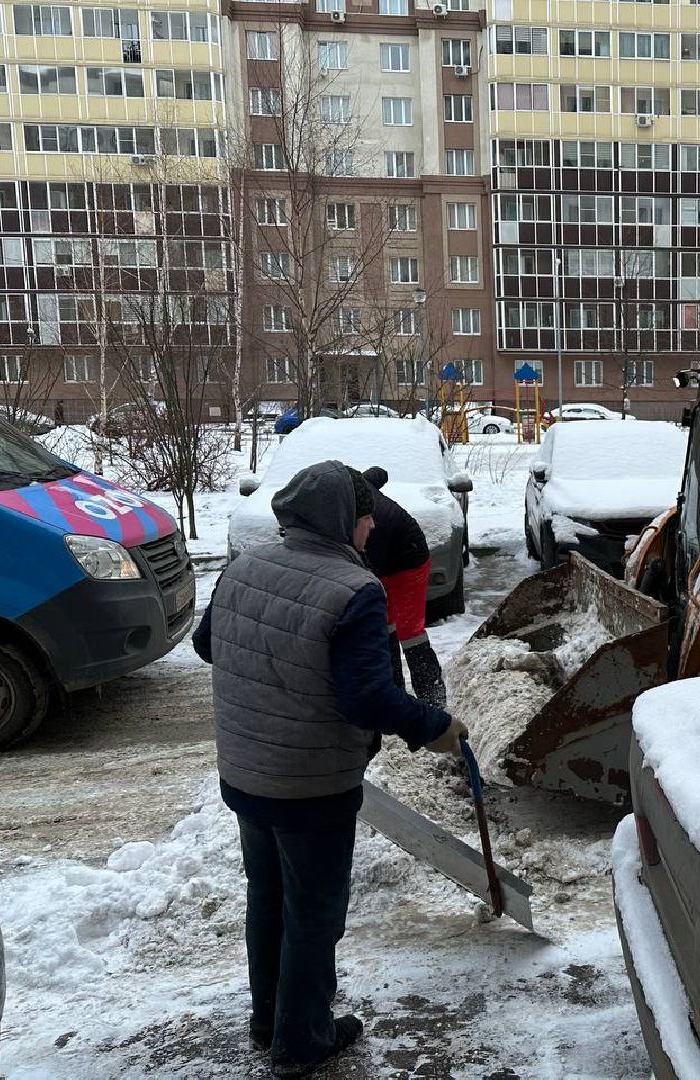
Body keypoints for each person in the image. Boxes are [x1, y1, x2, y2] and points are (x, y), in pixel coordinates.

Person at [192, 460, 465, 1077]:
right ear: (347, 519)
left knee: (268, 898)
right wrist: (434, 726)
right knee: (314, 912)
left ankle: (271, 1018)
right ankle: (302, 1039)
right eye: (367, 518)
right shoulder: (353, 589)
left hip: (245, 770)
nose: (370, 530)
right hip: (310, 783)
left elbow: (208, 644)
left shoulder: (243, 566)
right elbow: (366, 698)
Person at [360, 465, 445, 706]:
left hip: (409, 560)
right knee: (382, 624)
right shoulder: (354, 485)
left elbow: (362, 571)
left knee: (410, 631)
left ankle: (433, 699)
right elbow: (379, 473)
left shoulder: (367, 522)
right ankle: (394, 692)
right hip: (380, 558)